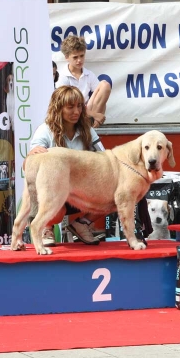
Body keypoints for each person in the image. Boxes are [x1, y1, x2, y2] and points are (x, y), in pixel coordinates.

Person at [28, 85, 106, 246]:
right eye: (70, 107)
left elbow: (105, 158)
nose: (76, 112)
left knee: (117, 192)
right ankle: (46, 227)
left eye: (79, 106)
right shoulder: (45, 130)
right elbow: (31, 161)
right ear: (58, 108)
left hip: (78, 190)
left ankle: (82, 224)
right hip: (53, 191)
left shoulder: (88, 130)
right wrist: (34, 152)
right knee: (58, 213)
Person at [56, 35, 110, 128]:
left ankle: (92, 126)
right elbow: (66, 105)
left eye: (82, 56)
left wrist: (97, 115)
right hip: (71, 115)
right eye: (75, 57)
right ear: (66, 57)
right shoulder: (63, 77)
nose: (79, 60)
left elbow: (102, 101)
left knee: (105, 85)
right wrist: (95, 115)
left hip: (86, 114)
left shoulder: (89, 74)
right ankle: (89, 126)